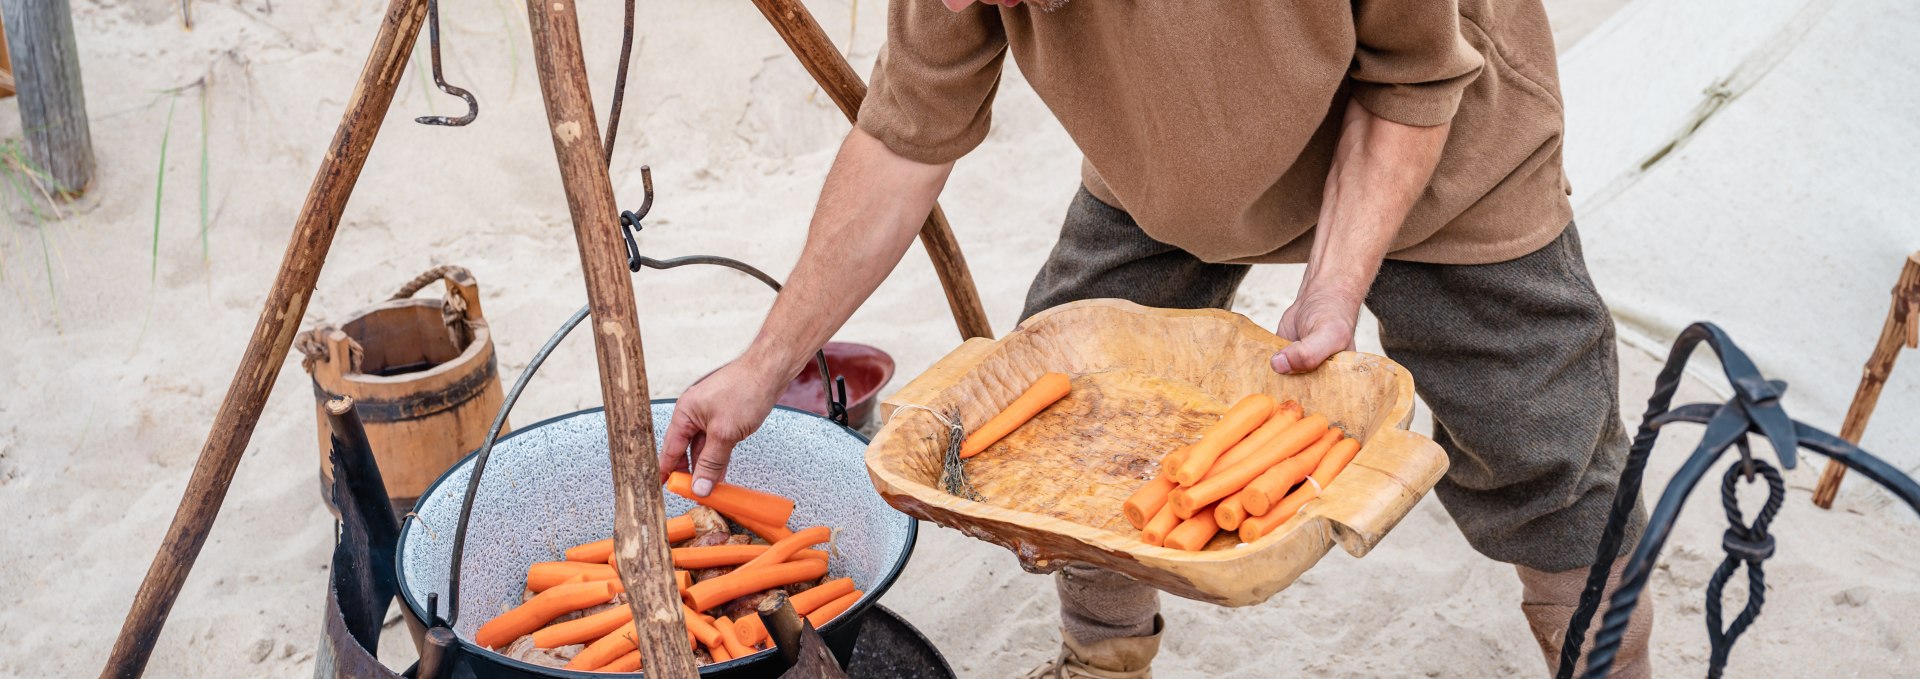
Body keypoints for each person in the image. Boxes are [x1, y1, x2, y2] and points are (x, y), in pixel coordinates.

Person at [660, 0, 1653, 676]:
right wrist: (763, 364)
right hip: (1169, 153)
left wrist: (1332, 285)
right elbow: (902, 138)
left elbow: (1409, 79)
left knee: (1545, 451)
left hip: (1441, 136)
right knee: (1063, 402)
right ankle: (1101, 658)